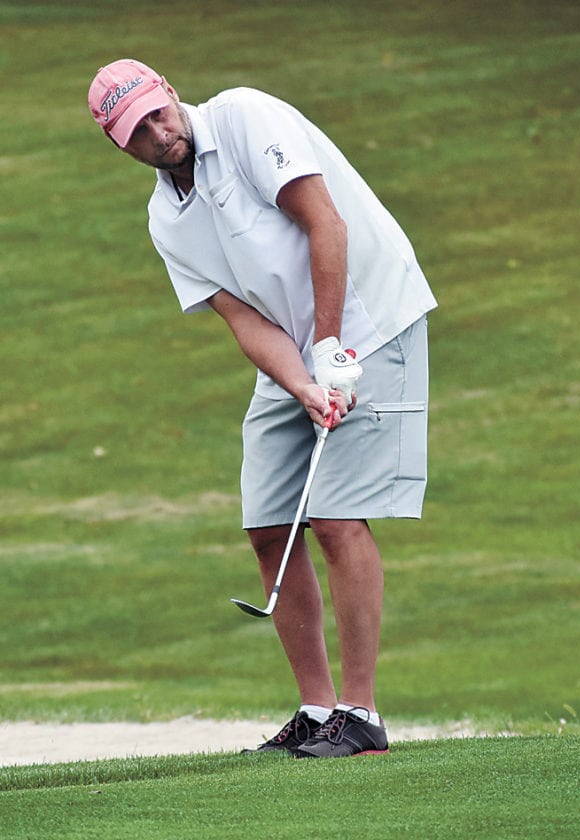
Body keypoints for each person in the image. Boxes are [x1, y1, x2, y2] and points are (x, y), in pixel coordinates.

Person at [88, 58, 437, 758]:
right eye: (138, 131)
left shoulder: (245, 117)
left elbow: (325, 223)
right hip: (293, 350)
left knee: (336, 519)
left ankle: (360, 714)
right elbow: (243, 319)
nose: (159, 133)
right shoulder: (165, 219)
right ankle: (315, 710)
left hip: (369, 324)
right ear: (118, 144)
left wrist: (331, 350)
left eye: (159, 113)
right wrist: (303, 383)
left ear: (170, 92)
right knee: (268, 525)